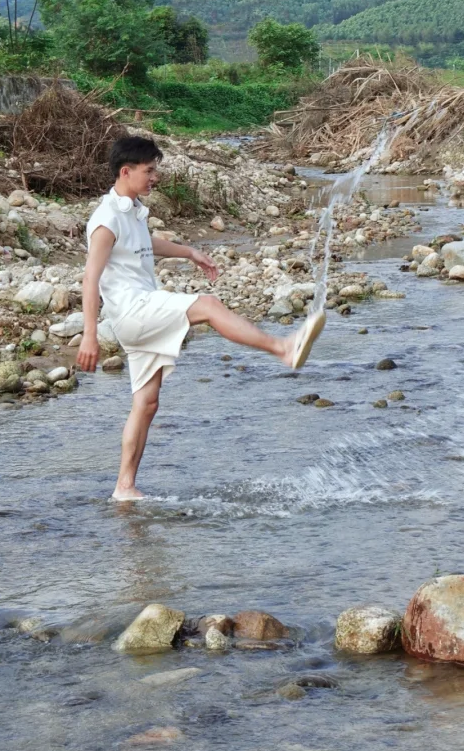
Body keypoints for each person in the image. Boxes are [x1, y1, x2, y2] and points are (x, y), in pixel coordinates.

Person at [76, 133, 324, 501]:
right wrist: (89, 336)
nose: (154, 177)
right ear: (125, 171)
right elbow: (90, 278)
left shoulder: (131, 210)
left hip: (142, 309)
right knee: (207, 305)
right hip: (133, 311)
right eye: (149, 170)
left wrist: (189, 252)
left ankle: (124, 488)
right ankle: (283, 348)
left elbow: (146, 245)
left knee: (146, 403)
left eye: (155, 170)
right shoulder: (106, 219)